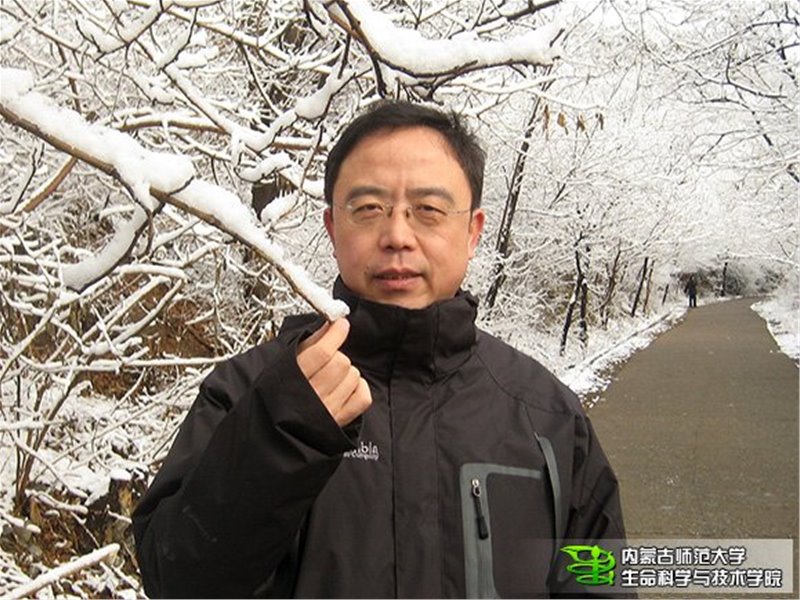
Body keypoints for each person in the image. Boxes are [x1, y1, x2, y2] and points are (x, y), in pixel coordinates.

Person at [132, 101, 629, 598]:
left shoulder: (547, 418)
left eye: (429, 210)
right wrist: (282, 433)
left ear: (473, 232)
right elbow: (176, 583)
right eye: (369, 208)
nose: (397, 236)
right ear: (332, 228)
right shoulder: (250, 392)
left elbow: (600, 583)